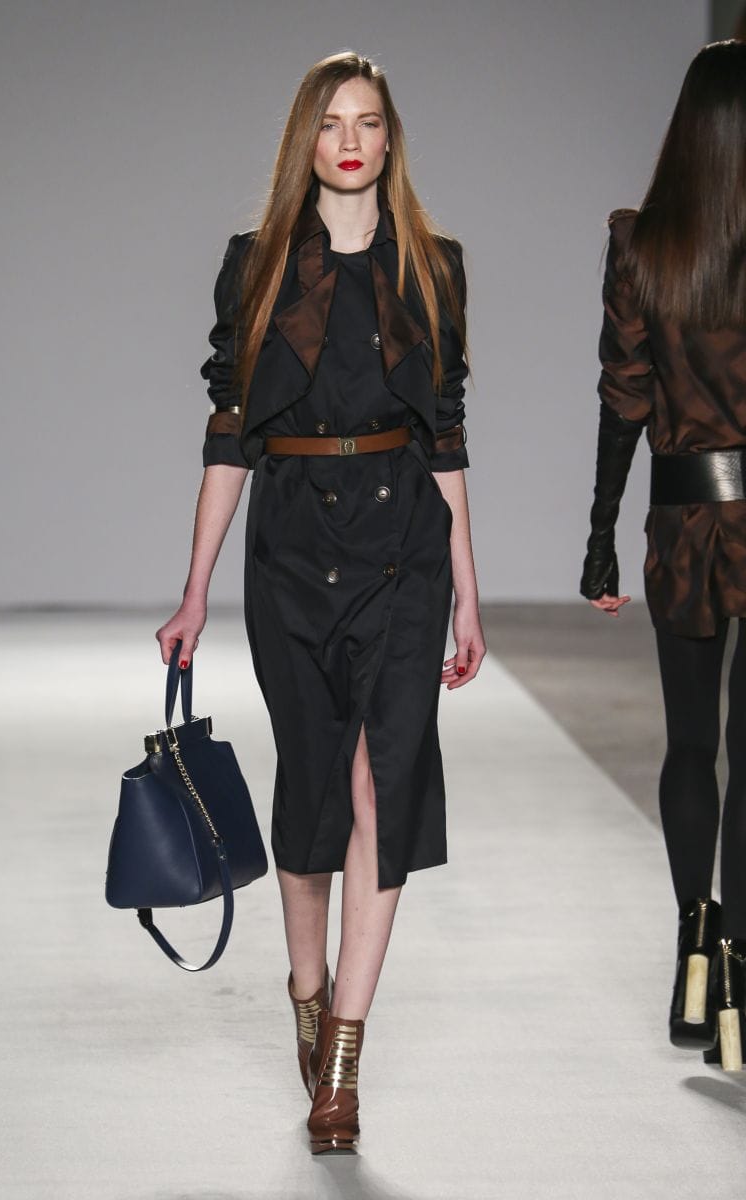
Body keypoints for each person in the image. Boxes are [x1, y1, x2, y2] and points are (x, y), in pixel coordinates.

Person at [156, 51, 485, 1152]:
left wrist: (468, 593)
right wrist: (194, 590)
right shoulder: (255, 267)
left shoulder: (432, 266)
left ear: (391, 140)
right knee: (310, 793)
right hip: (292, 547)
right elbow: (228, 433)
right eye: (332, 122)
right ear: (307, 139)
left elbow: (445, 434)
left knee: (380, 786)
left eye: (369, 122)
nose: (350, 140)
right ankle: (306, 992)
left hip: (404, 550)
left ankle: (342, 1056)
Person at [580, 40, 746, 1073]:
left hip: (683, 526)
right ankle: (740, 971)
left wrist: (599, 535)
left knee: (691, 747)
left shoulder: (641, 246)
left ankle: (694, 942)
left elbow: (623, 398)